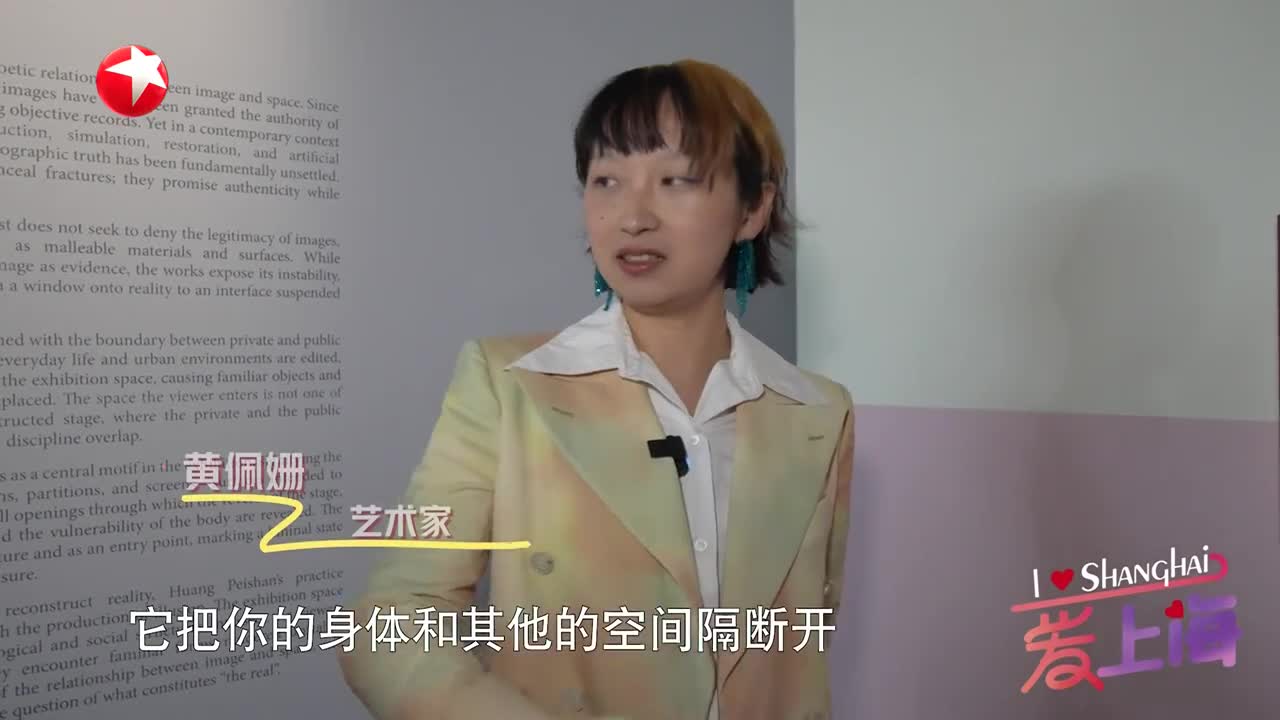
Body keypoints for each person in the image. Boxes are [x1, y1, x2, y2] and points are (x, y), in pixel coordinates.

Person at [339, 58, 855, 720]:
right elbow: (393, 618)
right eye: (606, 180)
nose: (632, 217)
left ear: (752, 208)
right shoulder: (507, 384)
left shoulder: (818, 411)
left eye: (675, 180)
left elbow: (803, 638)